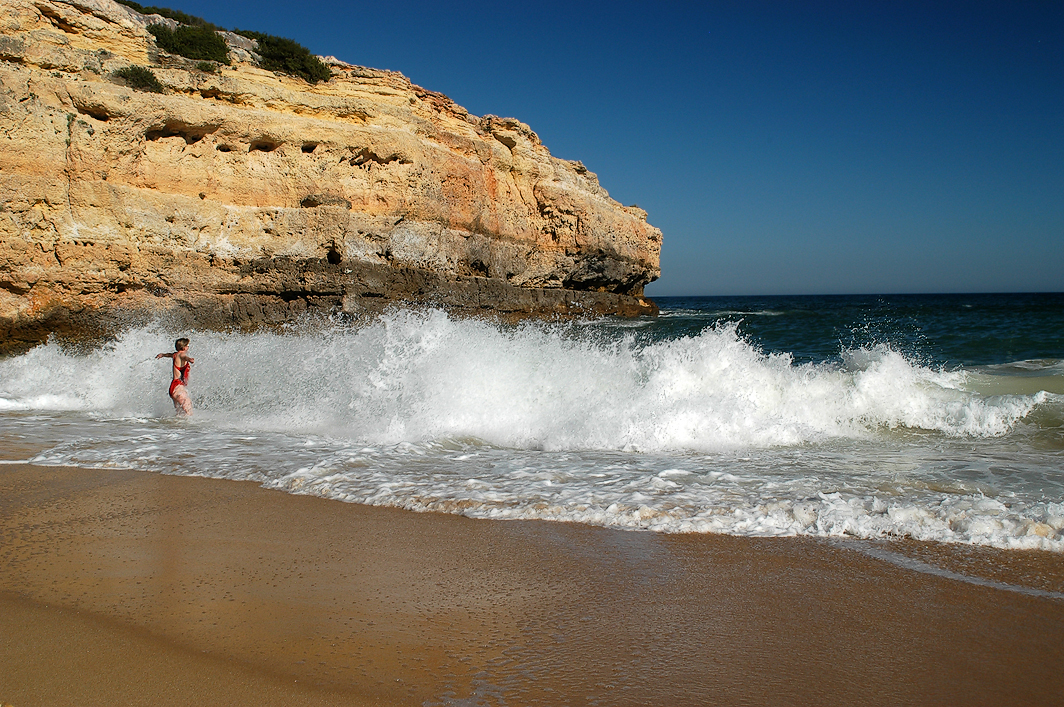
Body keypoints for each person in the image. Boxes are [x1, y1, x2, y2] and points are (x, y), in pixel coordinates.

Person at [156, 337, 195, 415]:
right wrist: (189, 359)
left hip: (174, 387)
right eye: (188, 345)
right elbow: (184, 357)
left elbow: (169, 354)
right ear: (184, 347)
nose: (188, 347)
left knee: (180, 415)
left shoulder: (175, 355)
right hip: (178, 387)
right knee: (189, 411)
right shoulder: (182, 354)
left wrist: (162, 355)